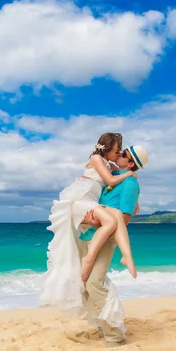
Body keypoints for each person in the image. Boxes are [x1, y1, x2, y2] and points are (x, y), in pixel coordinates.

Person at [39, 133, 136, 322]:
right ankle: (89, 258)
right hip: (81, 201)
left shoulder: (110, 163)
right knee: (110, 221)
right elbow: (110, 180)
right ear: (106, 147)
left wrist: (133, 193)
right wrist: (130, 173)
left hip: (91, 203)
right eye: (117, 150)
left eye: (120, 152)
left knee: (112, 219)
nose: (118, 154)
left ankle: (116, 258)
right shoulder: (96, 158)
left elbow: (121, 179)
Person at [78, 145, 149, 345]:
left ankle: (115, 333)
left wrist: (95, 221)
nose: (119, 154)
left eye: (123, 154)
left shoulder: (130, 185)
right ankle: (104, 325)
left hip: (105, 238)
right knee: (84, 284)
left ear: (131, 162)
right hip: (89, 236)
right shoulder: (117, 177)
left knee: (94, 283)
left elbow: (123, 219)